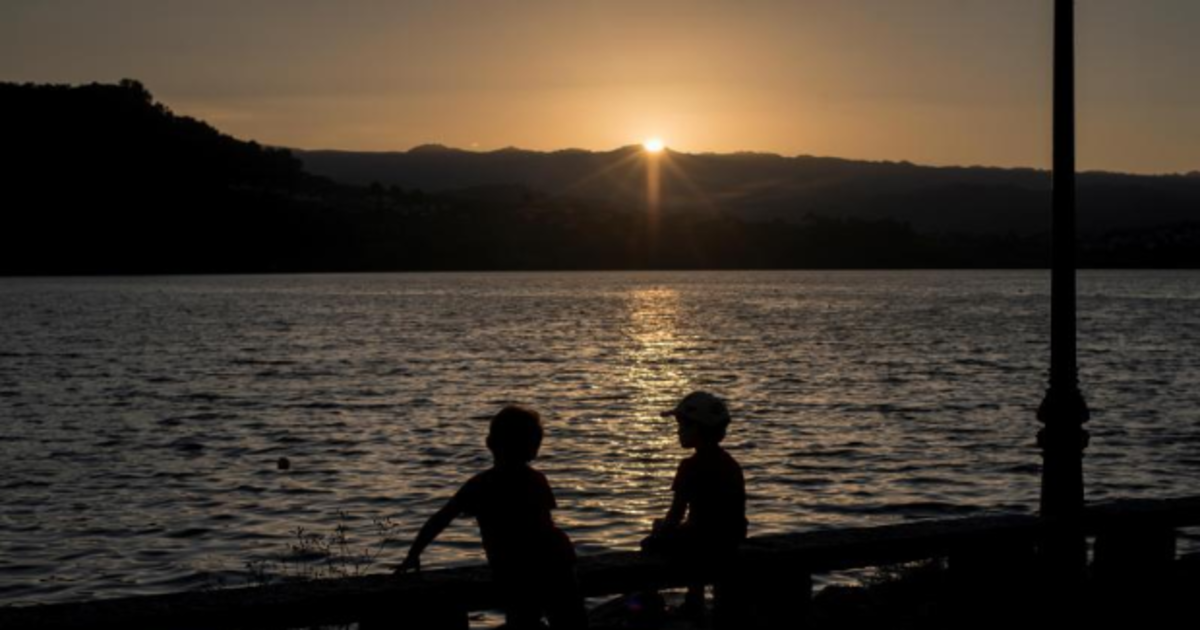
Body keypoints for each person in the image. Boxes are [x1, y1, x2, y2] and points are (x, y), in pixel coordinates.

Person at [396, 405, 587, 630]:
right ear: (533, 449)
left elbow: (442, 518)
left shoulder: (480, 484)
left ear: (490, 444)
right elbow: (544, 525)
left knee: (524, 618)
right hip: (553, 561)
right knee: (568, 618)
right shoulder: (536, 480)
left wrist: (414, 552)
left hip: (511, 566)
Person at [641, 391, 747, 625]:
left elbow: (676, 513)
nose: (678, 431)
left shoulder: (689, 466)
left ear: (699, 430)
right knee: (692, 533)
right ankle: (698, 602)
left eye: (683, 426)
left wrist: (659, 533)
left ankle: (650, 607)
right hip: (730, 539)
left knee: (651, 544)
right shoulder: (731, 464)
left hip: (703, 542)